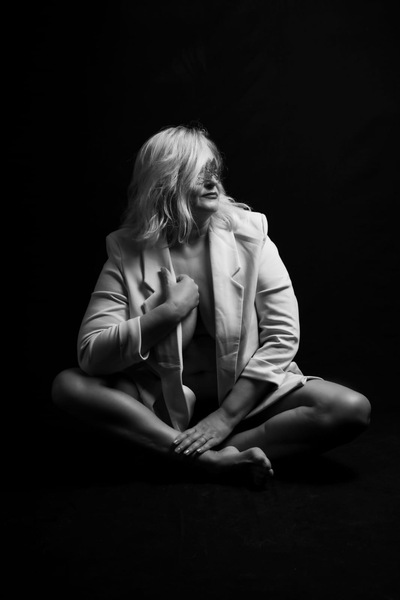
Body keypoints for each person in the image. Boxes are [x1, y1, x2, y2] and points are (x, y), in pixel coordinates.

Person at [51, 124, 371, 485]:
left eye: (214, 172)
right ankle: (208, 461)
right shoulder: (127, 250)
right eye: (198, 174)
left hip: (247, 402)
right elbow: (92, 355)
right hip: (158, 404)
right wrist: (169, 313)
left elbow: (282, 336)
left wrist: (224, 417)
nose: (213, 183)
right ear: (164, 182)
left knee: (349, 409)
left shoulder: (251, 236)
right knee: (69, 385)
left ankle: (188, 453)